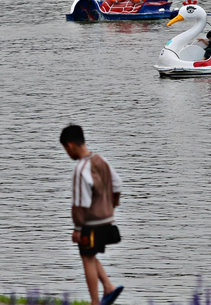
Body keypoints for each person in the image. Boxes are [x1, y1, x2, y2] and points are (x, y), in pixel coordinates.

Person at [60, 125, 124, 305]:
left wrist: (77, 228)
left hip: (91, 222)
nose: (67, 153)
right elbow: (117, 185)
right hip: (107, 219)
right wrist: (111, 206)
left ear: (70, 145)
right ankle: (108, 286)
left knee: (87, 258)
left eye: (65, 149)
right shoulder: (101, 160)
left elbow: (81, 203)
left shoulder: (81, 169)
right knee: (89, 254)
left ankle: (95, 302)